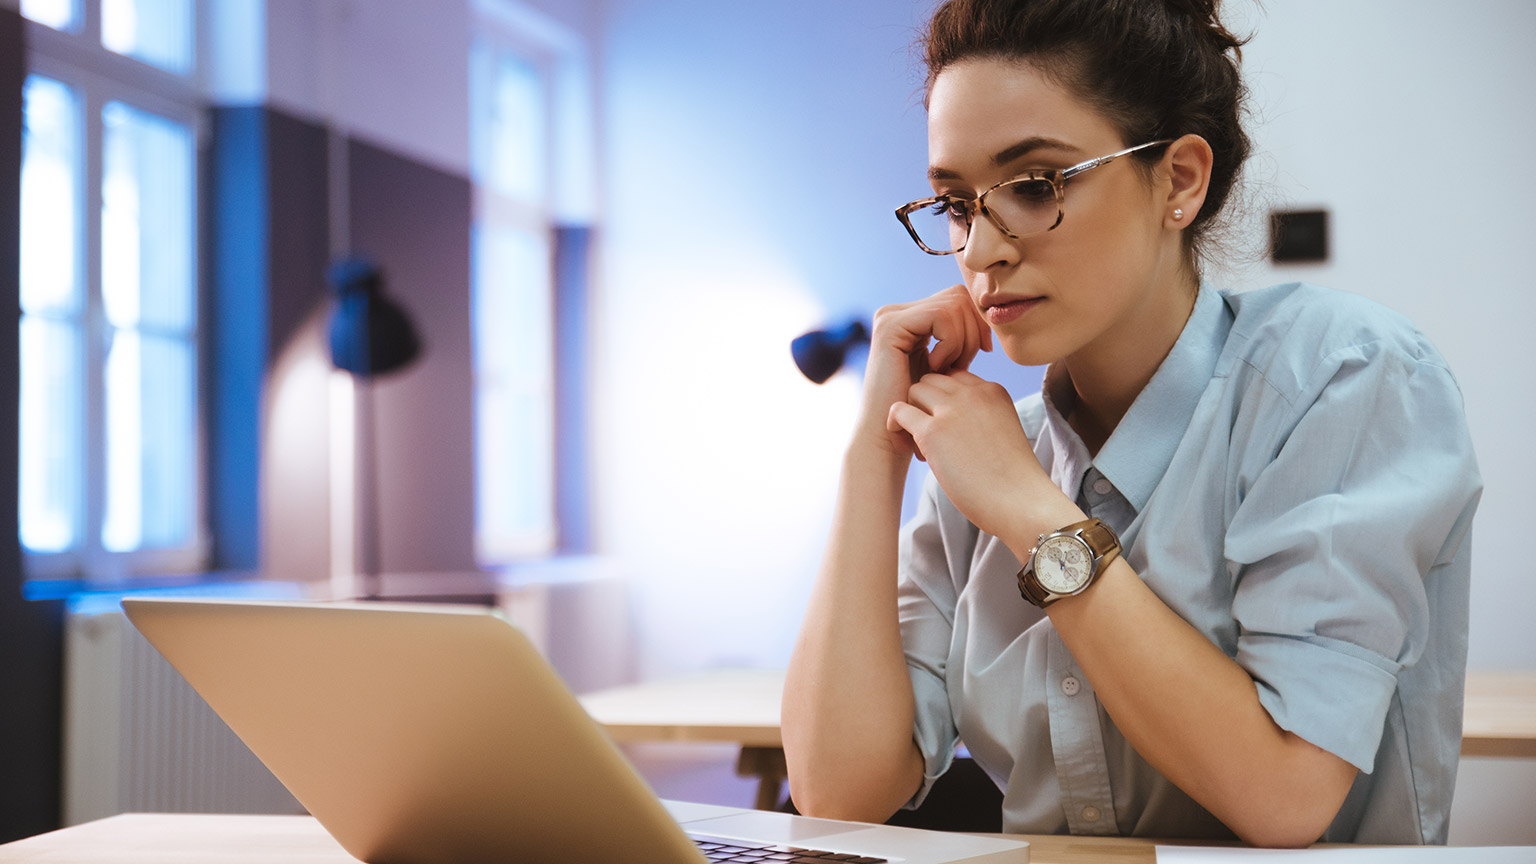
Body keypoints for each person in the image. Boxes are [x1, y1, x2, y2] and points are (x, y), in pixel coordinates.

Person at [780, 0, 1481, 848]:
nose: (978, 252)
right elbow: (837, 790)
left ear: (1179, 180)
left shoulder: (1343, 376)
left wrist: (1029, 512)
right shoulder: (989, 451)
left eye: (1035, 186)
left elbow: (1285, 796)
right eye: (957, 204)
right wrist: (874, 452)